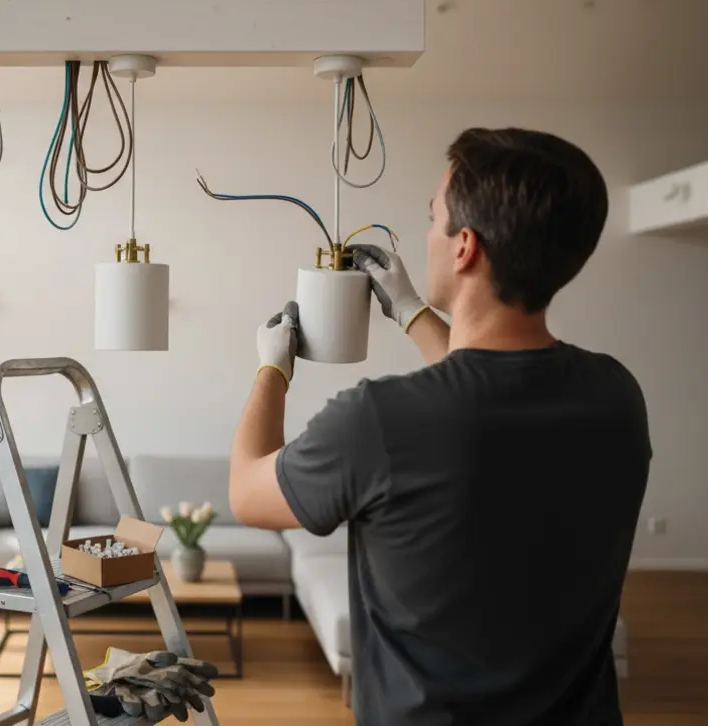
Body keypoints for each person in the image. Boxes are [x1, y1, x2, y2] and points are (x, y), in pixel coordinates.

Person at [228, 127, 651, 725]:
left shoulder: (376, 420)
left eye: (433, 219)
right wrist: (411, 311)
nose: (427, 233)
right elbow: (482, 391)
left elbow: (247, 493)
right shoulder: (615, 398)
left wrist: (272, 369)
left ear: (464, 247)